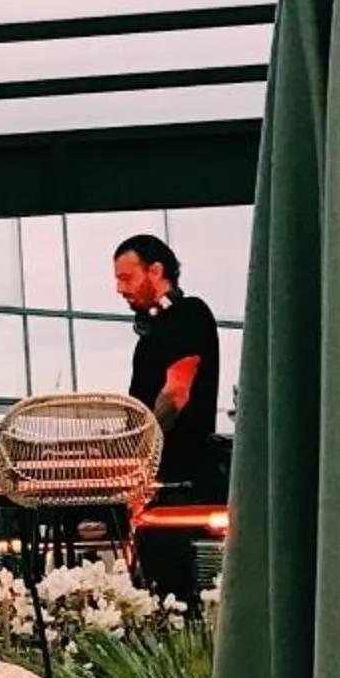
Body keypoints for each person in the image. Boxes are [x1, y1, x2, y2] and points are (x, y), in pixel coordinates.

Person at [116, 232, 222, 605]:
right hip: (160, 481)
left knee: (171, 594)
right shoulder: (152, 336)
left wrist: (139, 454)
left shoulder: (189, 314)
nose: (118, 288)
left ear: (156, 270)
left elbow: (176, 394)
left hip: (180, 480)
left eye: (126, 277)